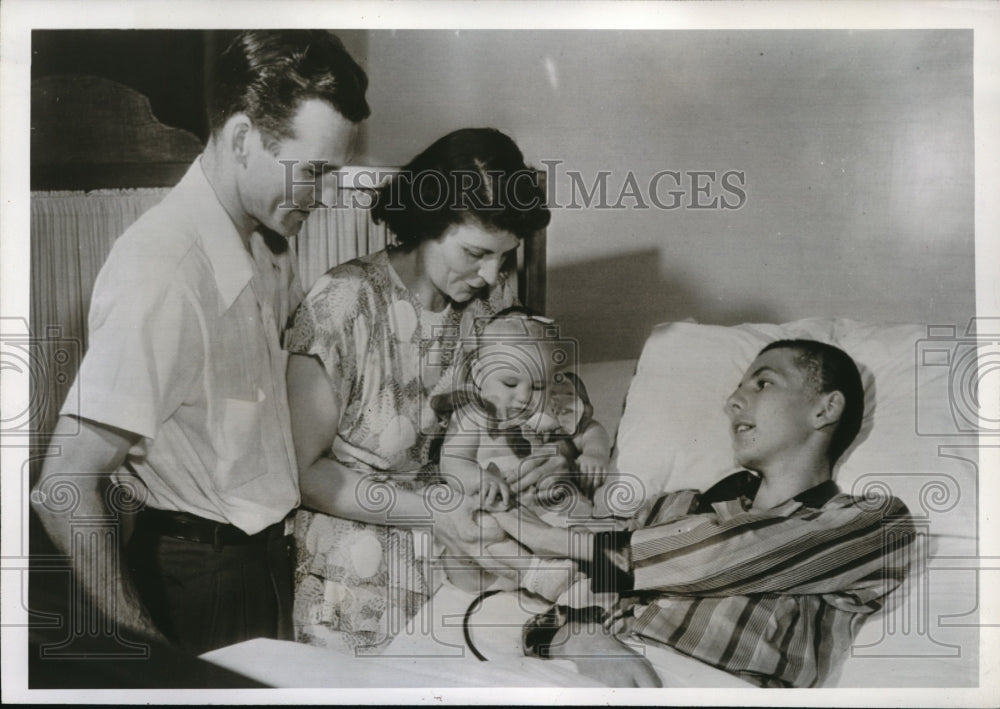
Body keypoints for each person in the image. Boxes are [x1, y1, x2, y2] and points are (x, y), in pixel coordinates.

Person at [31, 30, 370, 655]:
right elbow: (63, 486)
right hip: (198, 583)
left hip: (262, 563)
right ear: (242, 139)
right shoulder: (161, 269)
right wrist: (145, 653)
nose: (325, 196)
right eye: (315, 171)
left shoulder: (267, 240)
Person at [491, 339, 916, 688]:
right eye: (738, 388)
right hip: (583, 669)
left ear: (825, 409)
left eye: (763, 384)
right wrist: (578, 638)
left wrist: (560, 540)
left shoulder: (876, 522)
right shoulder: (672, 506)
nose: (733, 401)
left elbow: (733, 552)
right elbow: (564, 597)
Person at [285, 128, 559, 650]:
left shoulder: (485, 319)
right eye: (476, 252)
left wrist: (520, 468)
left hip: (454, 545)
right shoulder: (343, 302)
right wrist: (435, 509)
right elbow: (304, 473)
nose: (490, 275)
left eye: (504, 258)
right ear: (428, 223)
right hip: (355, 550)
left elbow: (491, 435)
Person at [434, 308, 613, 599]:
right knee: (478, 521)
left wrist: (595, 453)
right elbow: (453, 461)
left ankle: (581, 566)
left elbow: (590, 429)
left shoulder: (553, 406)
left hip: (548, 510)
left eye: (538, 386)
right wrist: (479, 480)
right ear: (480, 374)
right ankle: (536, 574)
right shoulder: (473, 415)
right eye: (510, 383)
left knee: (584, 518)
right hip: (502, 513)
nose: (524, 396)